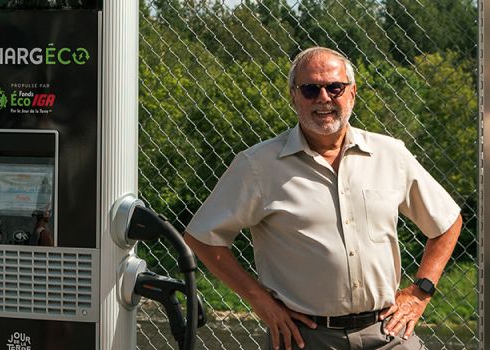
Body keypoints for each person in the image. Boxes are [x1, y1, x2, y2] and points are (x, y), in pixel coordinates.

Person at [182, 47, 465, 350]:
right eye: (310, 89)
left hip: (387, 332)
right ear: (294, 96)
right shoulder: (258, 166)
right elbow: (202, 237)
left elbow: (447, 222)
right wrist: (259, 300)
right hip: (305, 337)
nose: (324, 97)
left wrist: (420, 292)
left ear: (352, 93)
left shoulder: (390, 154)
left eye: (334, 87)